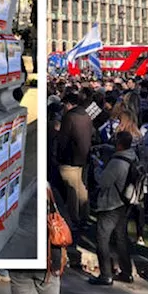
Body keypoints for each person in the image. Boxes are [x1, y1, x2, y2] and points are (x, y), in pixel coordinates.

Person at [90, 130, 138, 286]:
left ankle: (106, 274)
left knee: (102, 239)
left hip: (110, 204)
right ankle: (126, 272)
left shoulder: (116, 162)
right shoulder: (132, 156)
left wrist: (97, 167)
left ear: (118, 144)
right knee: (121, 239)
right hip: (125, 203)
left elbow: (103, 182)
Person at [56, 91, 93, 232]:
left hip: (70, 158)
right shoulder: (86, 115)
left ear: (68, 104)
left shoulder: (69, 117)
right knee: (81, 188)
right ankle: (85, 214)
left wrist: (58, 156)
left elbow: (63, 140)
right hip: (84, 157)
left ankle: (74, 218)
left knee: (72, 190)